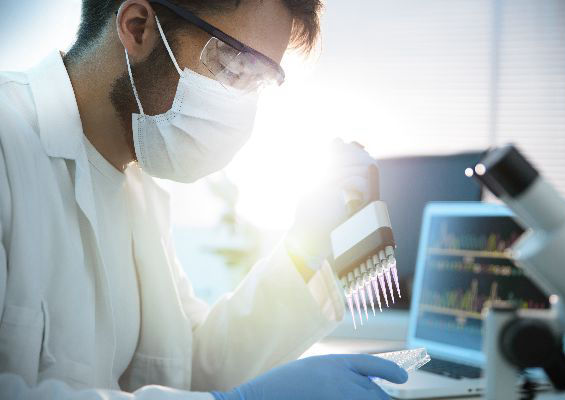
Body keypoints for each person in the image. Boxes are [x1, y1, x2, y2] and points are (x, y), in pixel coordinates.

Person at [0, 0, 408, 399]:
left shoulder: (142, 189)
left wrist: (304, 247)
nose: (242, 112)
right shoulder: (8, 145)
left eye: (259, 82)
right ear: (138, 27)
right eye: (234, 66)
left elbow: (187, 366)